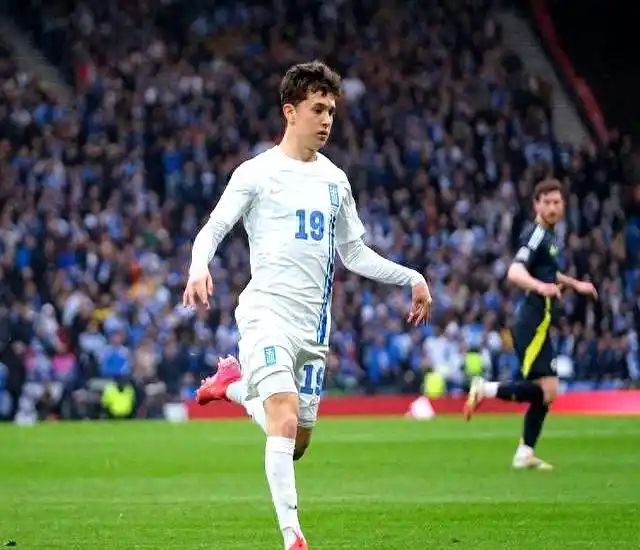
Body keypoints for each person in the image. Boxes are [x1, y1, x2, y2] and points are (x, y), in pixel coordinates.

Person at [182, 61, 432, 550]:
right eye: (317, 109)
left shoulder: (336, 181)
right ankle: (293, 538)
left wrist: (412, 276)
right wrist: (198, 266)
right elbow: (214, 227)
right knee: (283, 413)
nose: (326, 120)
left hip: (314, 328)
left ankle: (231, 387)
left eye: (331, 111)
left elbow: (353, 253)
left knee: (295, 442)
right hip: (266, 315)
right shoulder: (256, 173)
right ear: (290, 112)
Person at [464, 179, 598, 470]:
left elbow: (549, 273)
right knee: (546, 390)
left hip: (540, 323)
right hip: (532, 322)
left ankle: (525, 452)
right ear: (536, 204)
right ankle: (485, 389)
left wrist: (575, 284)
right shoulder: (536, 234)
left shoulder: (549, 236)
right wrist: (540, 287)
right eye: (546, 202)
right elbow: (515, 271)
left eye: (557, 202)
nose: (552, 208)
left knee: (546, 391)